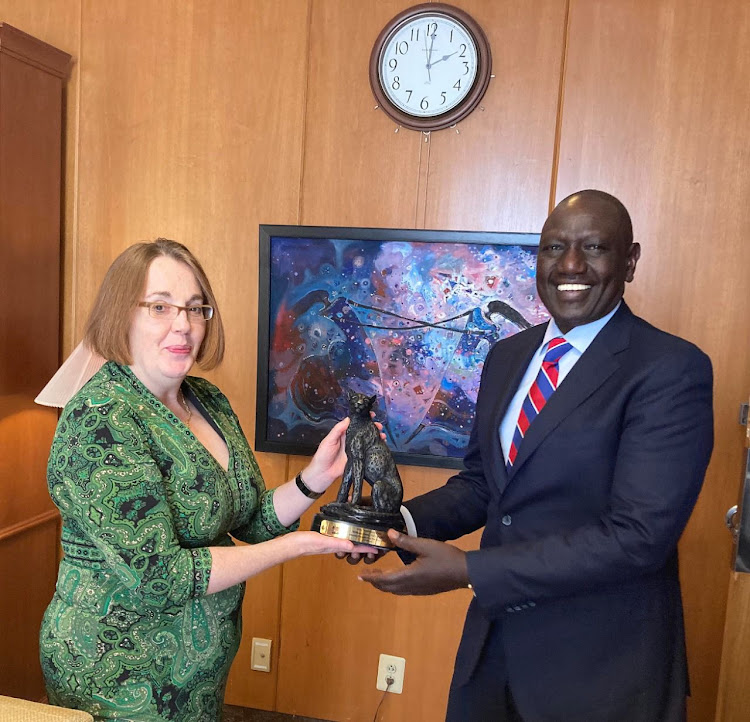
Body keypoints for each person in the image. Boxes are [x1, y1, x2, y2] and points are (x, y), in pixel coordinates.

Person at [357, 190, 714, 721]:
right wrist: (391, 525)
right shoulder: (508, 356)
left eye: (593, 247)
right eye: (554, 248)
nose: (570, 265)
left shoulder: (668, 370)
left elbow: (639, 537)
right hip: (495, 653)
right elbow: (485, 484)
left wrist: (470, 571)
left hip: (604, 670)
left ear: (630, 261)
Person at [39, 239, 368, 721]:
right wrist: (301, 545)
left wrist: (315, 478)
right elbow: (161, 578)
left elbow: (252, 519)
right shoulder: (101, 420)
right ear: (121, 315)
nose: (183, 325)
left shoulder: (206, 401)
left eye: (195, 309)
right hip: (115, 671)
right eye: (159, 307)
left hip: (198, 674)